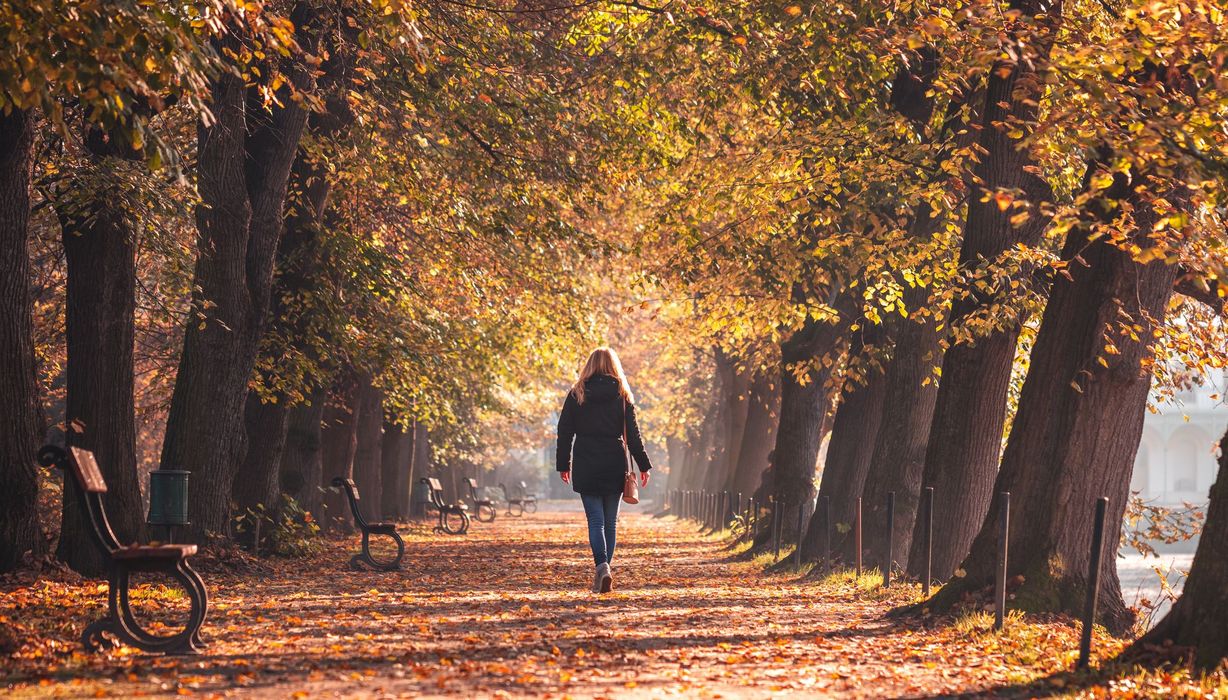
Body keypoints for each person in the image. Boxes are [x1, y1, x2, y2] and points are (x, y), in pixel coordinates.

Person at [556, 347, 652, 593]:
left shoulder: (577, 393)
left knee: (595, 521)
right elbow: (633, 435)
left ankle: (602, 568)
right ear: (613, 365)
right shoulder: (622, 395)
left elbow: (565, 431)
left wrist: (563, 464)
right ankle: (606, 567)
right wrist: (643, 465)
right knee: (610, 522)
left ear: (589, 365)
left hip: (586, 460)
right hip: (614, 460)